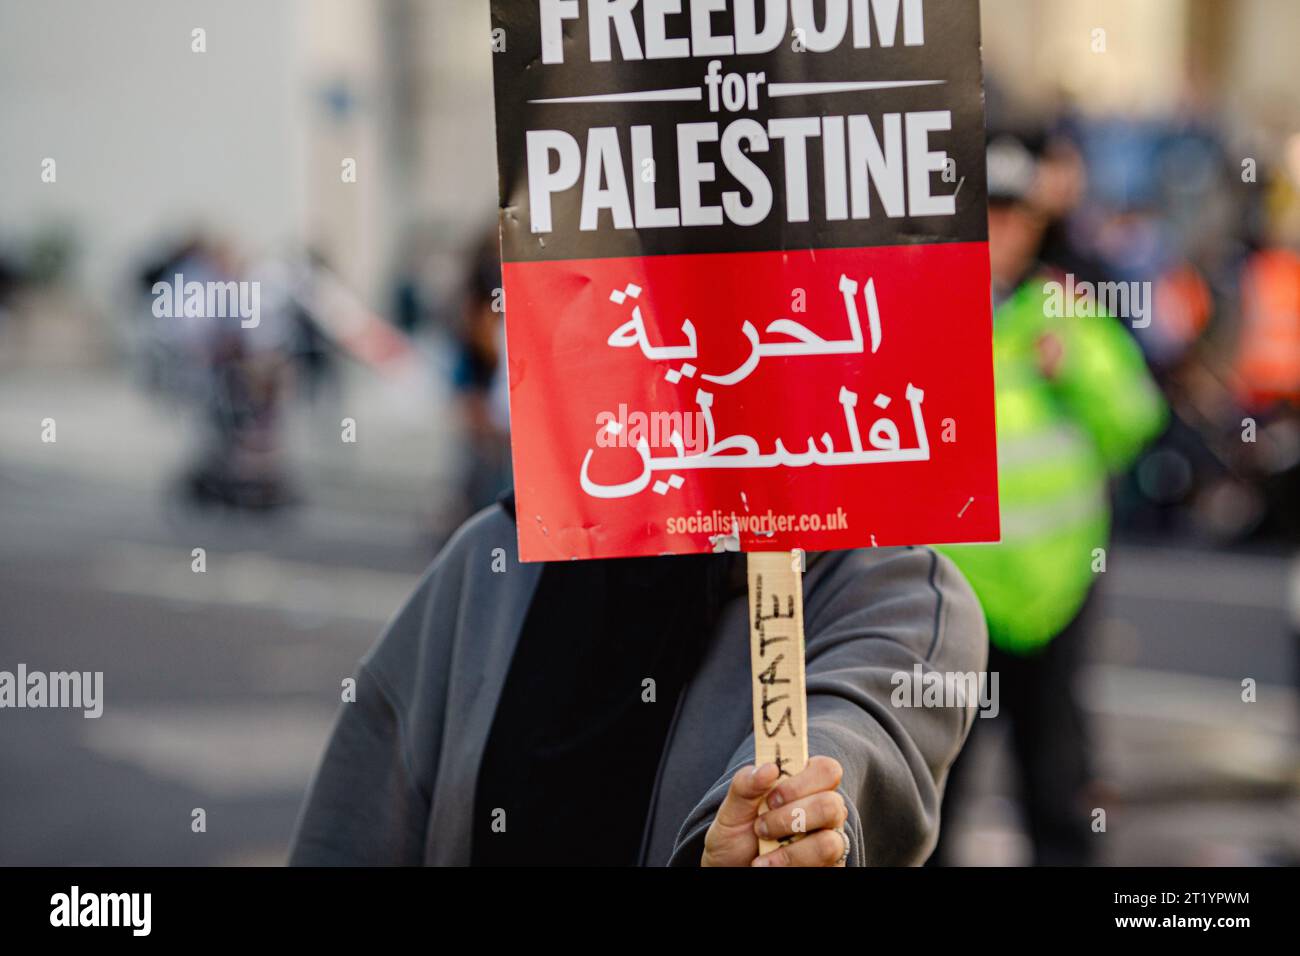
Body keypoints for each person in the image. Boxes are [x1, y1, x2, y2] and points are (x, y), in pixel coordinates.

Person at [290, 491, 988, 866]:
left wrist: (778, 820)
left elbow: (852, 738)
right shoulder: (495, 560)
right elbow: (354, 829)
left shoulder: (900, 593)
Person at [932, 134, 1168, 866]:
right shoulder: (927, 309)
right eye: (989, 212)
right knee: (930, 800)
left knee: (1056, 789)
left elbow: (1135, 421)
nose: (1002, 231)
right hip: (952, 595)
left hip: (1055, 595)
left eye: (1015, 214)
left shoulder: (1065, 309)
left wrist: (1075, 372)